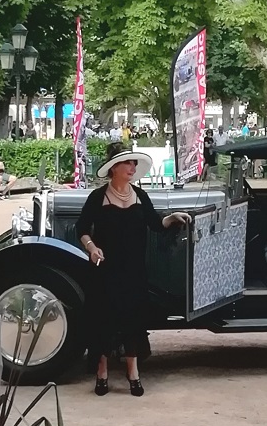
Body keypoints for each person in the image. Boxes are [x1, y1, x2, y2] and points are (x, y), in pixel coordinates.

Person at [76, 143, 190, 397]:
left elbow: (155, 224)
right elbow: (81, 229)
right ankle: (102, 372)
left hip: (134, 271)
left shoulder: (140, 196)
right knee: (105, 321)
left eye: (134, 163)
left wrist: (171, 218)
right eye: (128, 163)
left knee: (132, 321)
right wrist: (92, 248)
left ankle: (133, 373)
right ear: (114, 167)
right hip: (105, 270)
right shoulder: (98, 197)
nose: (132, 167)